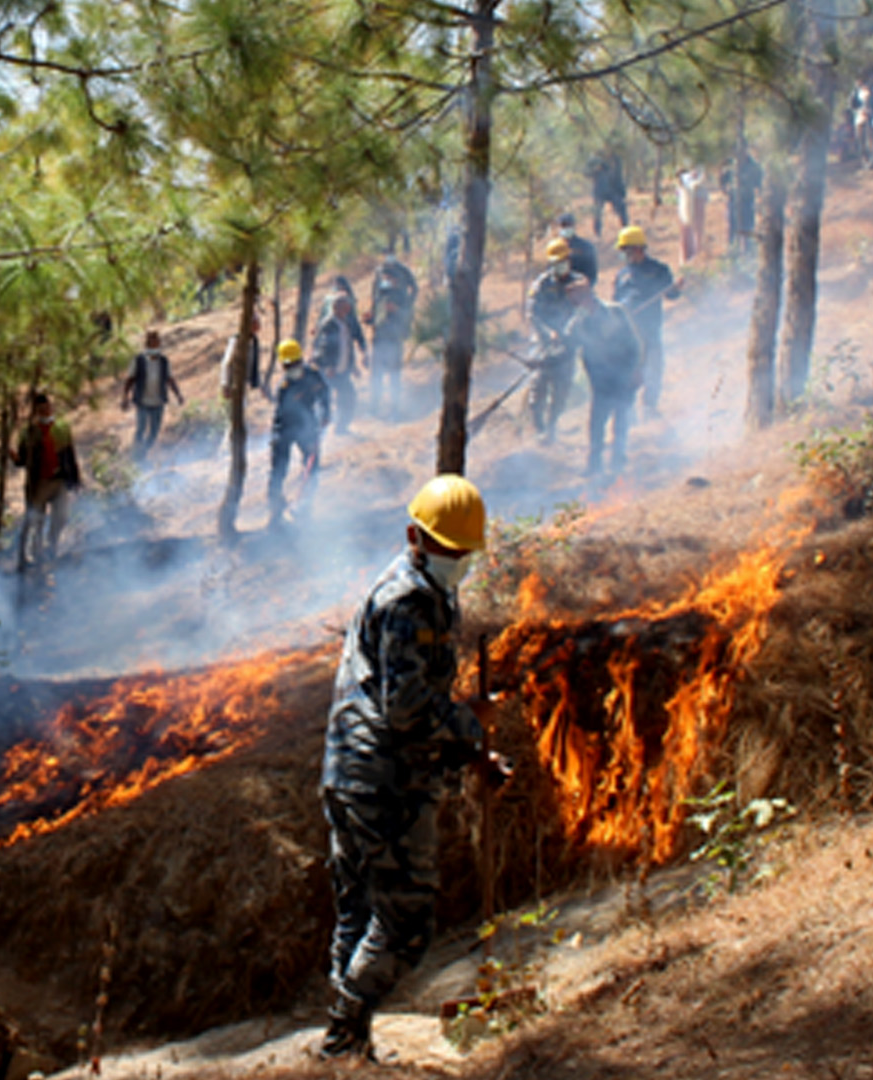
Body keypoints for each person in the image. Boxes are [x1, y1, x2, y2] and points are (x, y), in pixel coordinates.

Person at [320, 475, 511, 1060]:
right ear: (415, 537)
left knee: (359, 913)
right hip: (382, 782)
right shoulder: (407, 600)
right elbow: (405, 712)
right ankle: (342, 1030)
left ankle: (348, 1051)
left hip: (358, 773)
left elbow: (408, 704)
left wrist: (470, 749)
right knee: (405, 924)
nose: (457, 562)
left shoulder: (426, 591)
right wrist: (468, 719)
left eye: (463, 553)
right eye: (448, 550)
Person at [567, 277, 645, 477]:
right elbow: (567, 346)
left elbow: (634, 343)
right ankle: (595, 465)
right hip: (600, 380)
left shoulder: (615, 312)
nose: (577, 306)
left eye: (578, 300)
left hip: (624, 374)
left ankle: (618, 460)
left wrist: (637, 370)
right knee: (596, 423)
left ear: (589, 297)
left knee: (621, 418)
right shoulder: (578, 323)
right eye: (574, 303)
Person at [611, 225, 682, 418]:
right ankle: (629, 411)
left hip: (651, 330)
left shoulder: (658, 270)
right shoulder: (622, 274)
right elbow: (615, 302)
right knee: (630, 372)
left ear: (637, 249)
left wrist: (676, 287)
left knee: (654, 370)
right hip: (628, 333)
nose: (623, 255)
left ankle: (650, 407)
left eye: (625, 251)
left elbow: (672, 294)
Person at [10, 393, 82, 566]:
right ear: (36, 411)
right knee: (37, 521)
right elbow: (21, 461)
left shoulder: (62, 428)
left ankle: (52, 546)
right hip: (38, 484)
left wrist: (75, 480)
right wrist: (12, 455)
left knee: (62, 517)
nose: (46, 410)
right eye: (42, 409)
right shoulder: (29, 432)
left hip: (59, 480)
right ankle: (36, 553)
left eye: (48, 407)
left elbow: (69, 454)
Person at [266, 341, 332, 527]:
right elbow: (285, 416)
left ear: (300, 360)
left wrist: (325, 414)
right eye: (287, 365)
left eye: (294, 363)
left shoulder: (313, 375)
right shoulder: (284, 387)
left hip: (307, 424)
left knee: (312, 467)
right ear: (282, 365)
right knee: (278, 470)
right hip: (284, 429)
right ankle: (275, 510)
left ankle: (305, 507)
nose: (291, 368)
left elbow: (324, 393)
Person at [526, 240, 582, 442]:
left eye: (562, 261)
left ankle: (552, 428)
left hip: (567, 349)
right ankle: (539, 428)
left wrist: (567, 332)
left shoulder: (578, 284)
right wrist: (548, 333)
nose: (559, 265)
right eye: (555, 262)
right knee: (537, 390)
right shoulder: (541, 284)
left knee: (561, 392)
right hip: (543, 346)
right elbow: (532, 314)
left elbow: (584, 311)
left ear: (568, 260)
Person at [366, 256, 419, 417]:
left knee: (394, 377)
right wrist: (370, 318)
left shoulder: (403, 299)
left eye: (390, 278)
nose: (386, 281)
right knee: (376, 376)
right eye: (385, 278)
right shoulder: (381, 297)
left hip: (394, 340)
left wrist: (397, 310)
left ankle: (394, 409)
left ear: (397, 280)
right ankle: (374, 408)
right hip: (379, 339)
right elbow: (376, 317)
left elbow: (407, 316)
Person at [121, 331, 185, 458]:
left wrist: (178, 394)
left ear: (159, 344)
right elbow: (130, 379)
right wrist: (125, 397)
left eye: (157, 342)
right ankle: (137, 455)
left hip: (158, 402)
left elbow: (170, 379)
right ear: (147, 344)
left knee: (154, 432)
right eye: (152, 343)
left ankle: (143, 452)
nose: (155, 345)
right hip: (142, 402)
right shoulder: (139, 360)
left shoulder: (164, 361)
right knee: (141, 429)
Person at [312, 291, 364, 435]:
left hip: (343, 370)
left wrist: (353, 366)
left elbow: (348, 345)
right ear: (337, 307)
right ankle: (316, 431)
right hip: (329, 371)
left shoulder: (346, 322)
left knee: (349, 397)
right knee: (324, 402)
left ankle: (341, 428)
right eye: (345, 306)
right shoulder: (328, 324)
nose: (349, 309)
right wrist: (328, 366)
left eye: (348, 306)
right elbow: (322, 347)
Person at [721, 145, 764, 255]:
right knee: (732, 227)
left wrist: (760, 196)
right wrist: (726, 190)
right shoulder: (731, 165)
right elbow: (722, 179)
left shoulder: (753, 166)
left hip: (747, 201)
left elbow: (760, 182)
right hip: (733, 201)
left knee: (748, 226)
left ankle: (748, 252)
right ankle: (732, 251)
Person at [586, 150, 628, 239]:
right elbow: (586, 172)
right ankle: (597, 234)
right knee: (597, 212)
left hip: (613, 190)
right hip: (599, 191)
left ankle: (626, 230)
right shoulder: (595, 158)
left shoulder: (616, 158)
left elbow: (618, 175)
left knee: (621, 207)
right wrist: (595, 168)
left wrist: (621, 190)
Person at [675, 167, 709, 263]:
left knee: (697, 228)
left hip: (696, 195)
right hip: (687, 197)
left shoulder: (700, 168)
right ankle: (686, 257)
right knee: (686, 228)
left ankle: (696, 255)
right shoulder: (685, 174)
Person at [553, 213, 597, 285]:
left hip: (581, 290)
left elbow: (592, 276)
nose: (566, 228)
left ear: (574, 226)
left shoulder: (586, 247)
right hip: (558, 291)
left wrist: (582, 287)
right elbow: (550, 272)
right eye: (563, 226)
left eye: (568, 225)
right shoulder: (555, 248)